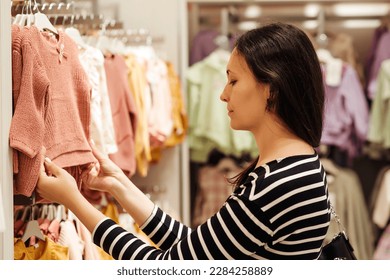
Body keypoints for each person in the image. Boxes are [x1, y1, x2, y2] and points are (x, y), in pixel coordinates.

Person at [37, 22, 330, 260]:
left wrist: (73, 201)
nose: (223, 94)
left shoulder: (274, 187)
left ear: (271, 89)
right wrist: (119, 186)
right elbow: (194, 250)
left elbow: (167, 269)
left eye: (234, 80)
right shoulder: (300, 165)